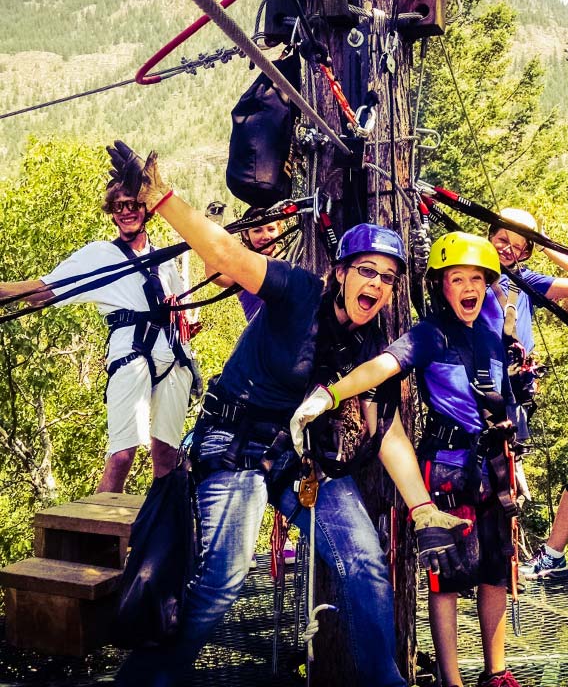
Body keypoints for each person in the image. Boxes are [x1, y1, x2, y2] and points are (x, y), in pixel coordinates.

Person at [116, 150, 468, 687]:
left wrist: (421, 507)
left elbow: (386, 425)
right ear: (341, 273)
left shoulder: (368, 341)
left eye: (389, 277)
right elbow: (228, 256)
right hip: (231, 444)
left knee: (364, 563)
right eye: (367, 270)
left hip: (293, 456)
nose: (376, 284)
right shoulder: (298, 291)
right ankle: (145, 681)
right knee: (222, 579)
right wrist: (160, 199)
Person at [291, 232, 523, 687]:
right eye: (457, 279)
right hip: (449, 468)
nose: (469, 287)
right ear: (441, 287)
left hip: (494, 463)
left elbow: (505, 390)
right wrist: (333, 393)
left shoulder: (493, 328)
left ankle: (497, 672)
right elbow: (382, 366)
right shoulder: (430, 334)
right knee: (449, 575)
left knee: (495, 569)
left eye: (477, 278)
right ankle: (451, 680)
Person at [0, 142, 195, 493]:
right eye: (119, 207)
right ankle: (100, 540)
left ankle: (164, 537)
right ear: (112, 213)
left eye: (134, 205)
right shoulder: (100, 255)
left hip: (172, 355)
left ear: (146, 210)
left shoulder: (164, 258)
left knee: (166, 454)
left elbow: (180, 306)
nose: (126, 212)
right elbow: (44, 290)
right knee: (122, 455)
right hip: (130, 353)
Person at [482, 208, 568, 442]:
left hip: (514, 385)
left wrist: (544, 245)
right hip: (477, 384)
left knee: (512, 458)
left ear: (524, 254)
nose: (508, 248)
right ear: (490, 237)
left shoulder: (526, 280)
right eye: (502, 239)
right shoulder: (470, 274)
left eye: (518, 246)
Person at [205, 205, 285, 322]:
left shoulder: (292, 259)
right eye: (257, 231)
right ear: (246, 235)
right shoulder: (242, 266)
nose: (266, 236)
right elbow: (216, 276)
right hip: (263, 338)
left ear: (279, 230)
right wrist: (210, 233)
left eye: (271, 229)